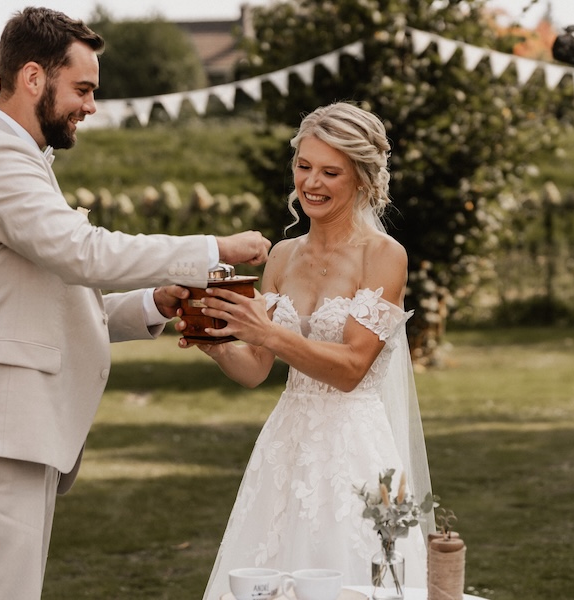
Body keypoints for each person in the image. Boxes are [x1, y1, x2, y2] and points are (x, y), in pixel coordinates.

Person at [0, 7, 271, 600]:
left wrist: (155, 303)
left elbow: (51, 302)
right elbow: (85, 252)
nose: (91, 106)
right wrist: (212, 247)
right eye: (82, 88)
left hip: (6, 431)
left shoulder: (20, 160)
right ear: (33, 78)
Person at [177, 102, 434, 597]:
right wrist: (214, 338)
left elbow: (352, 368)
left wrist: (267, 332)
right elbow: (255, 369)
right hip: (285, 444)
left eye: (330, 171)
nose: (311, 183)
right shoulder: (282, 255)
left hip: (358, 450)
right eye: (303, 166)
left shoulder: (383, 256)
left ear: (361, 178)